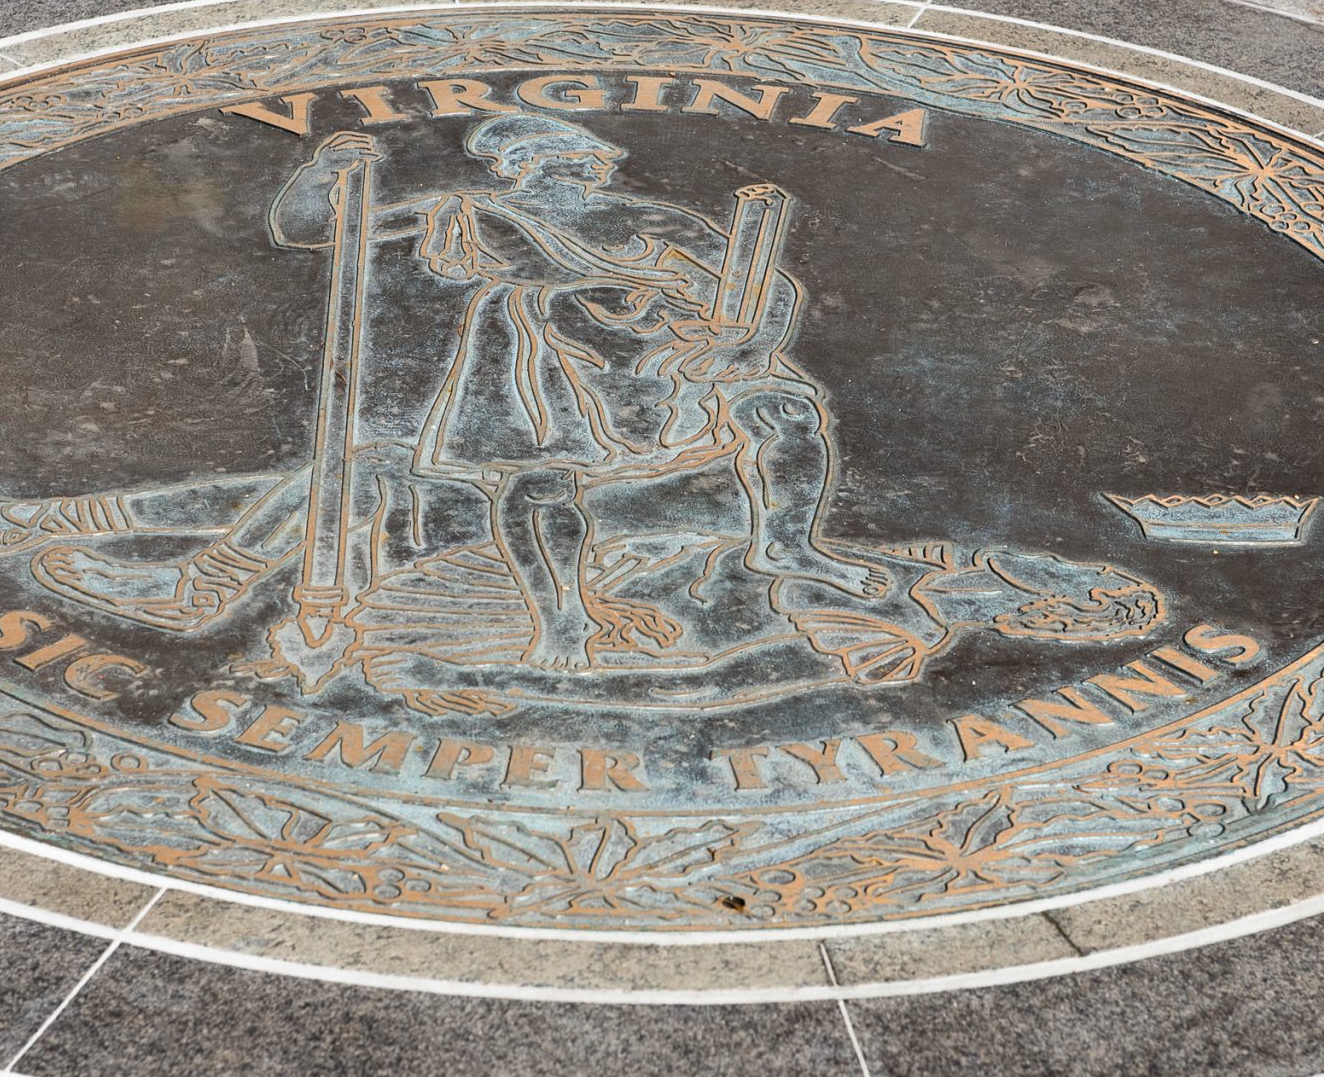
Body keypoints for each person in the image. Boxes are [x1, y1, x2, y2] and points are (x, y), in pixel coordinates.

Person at [270, 113, 885, 670]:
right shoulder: (466, 210)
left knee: (786, 413)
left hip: (665, 343)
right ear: (521, 167)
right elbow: (312, 233)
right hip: (541, 350)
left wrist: (751, 346)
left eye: (591, 162)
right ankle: (564, 618)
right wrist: (320, 173)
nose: (590, 171)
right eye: (570, 161)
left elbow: (767, 285)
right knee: (540, 484)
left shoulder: (649, 218)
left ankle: (786, 546)